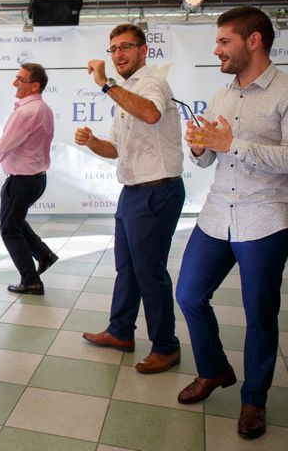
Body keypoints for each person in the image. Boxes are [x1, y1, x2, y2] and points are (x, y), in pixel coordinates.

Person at [175, 6, 288, 440]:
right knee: (188, 294)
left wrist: (232, 144)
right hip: (217, 212)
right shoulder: (222, 96)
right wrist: (200, 148)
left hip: (266, 218)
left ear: (253, 40)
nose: (216, 49)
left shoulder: (283, 91)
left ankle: (254, 399)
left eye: (224, 41)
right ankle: (214, 369)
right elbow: (207, 161)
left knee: (260, 314)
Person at [74, 23, 185, 374]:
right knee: (127, 268)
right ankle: (121, 331)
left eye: (126, 47)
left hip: (156, 191)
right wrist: (93, 142)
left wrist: (105, 83)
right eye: (114, 49)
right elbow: (116, 148)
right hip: (133, 191)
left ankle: (166, 347)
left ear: (143, 51)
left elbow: (151, 113)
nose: (118, 55)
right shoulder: (125, 92)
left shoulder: (151, 84)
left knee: (149, 272)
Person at [0, 62, 57, 296]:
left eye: (20, 79)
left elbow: (5, 144)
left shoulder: (28, 111)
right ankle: (44, 254)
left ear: (35, 85)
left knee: (9, 229)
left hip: (23, 181)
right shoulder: (42, 108)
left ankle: (31, 280)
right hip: (34, 179)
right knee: (11, 220)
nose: (14, 83)